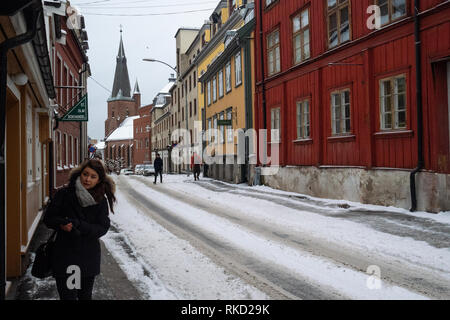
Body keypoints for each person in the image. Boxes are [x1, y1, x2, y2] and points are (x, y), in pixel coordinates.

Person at [43, 159, 116, 300]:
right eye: (85, 174)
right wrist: (61, 224)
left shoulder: (100, 199)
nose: (87, 179)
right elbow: (49, 218)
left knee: (84, 296)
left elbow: (102, 228)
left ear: (99, 180)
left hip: (88, 257)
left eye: (93, 177)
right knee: (68, 296)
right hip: (67, 256)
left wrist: (79, 225)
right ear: (79, 174)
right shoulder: (64, 194)